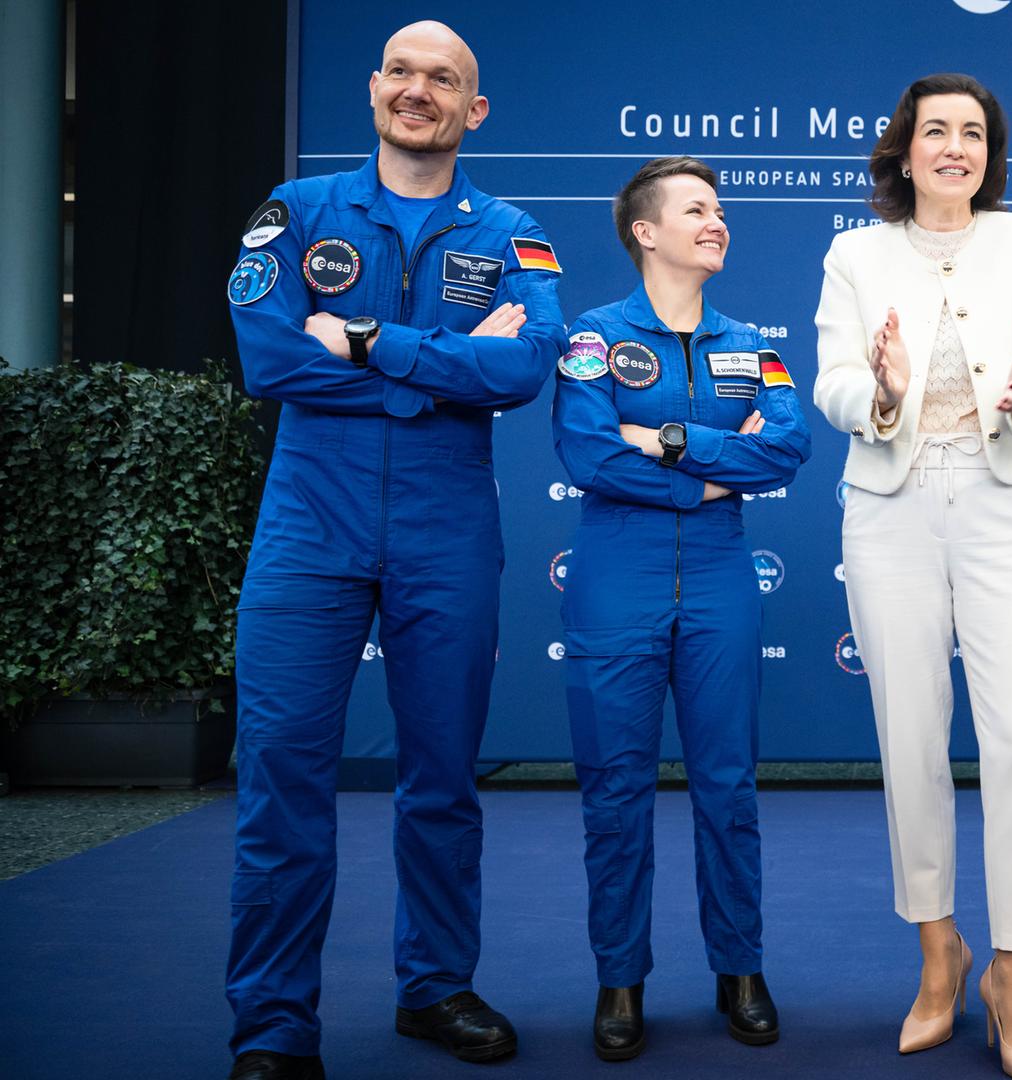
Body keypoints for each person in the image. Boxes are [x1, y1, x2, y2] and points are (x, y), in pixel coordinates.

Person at [222, 21, 566, 1080]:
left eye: (445, 80)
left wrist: (371, 340)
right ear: (375, 88)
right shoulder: (298, 213)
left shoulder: (516, 235)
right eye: (404, 73)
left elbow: (527, 369)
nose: (420, 91)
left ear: (476, 110)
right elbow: (271, 358)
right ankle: (274, 1026)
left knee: (442, 778)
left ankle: (436, 987)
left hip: (445, 534)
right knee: (281, 773)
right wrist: (445, 370)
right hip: (308, 529)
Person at [812, 72, 1012, 1080]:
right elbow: (835, 376)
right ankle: (940, 952)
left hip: (1006, 493)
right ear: (904, 148)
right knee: (911, 735)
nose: (956, 148)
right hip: (890, 500)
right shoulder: (854, 253)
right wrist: (878, 393)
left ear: (990, 154)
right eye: (937, 131)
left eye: (973, 134)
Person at [551, 156, 810, 1059]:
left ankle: (740, 968)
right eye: (697, 209)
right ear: (644, 232)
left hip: (719, 581)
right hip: (614, 581)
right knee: (615, 791)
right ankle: (618, 980)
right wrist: (703, 477)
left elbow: (785, 449)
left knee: (729, 787)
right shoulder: (592, 335)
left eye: (721, 209)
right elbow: (587, 454)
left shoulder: (751, 342)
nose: (718, 221)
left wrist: (663, 440)